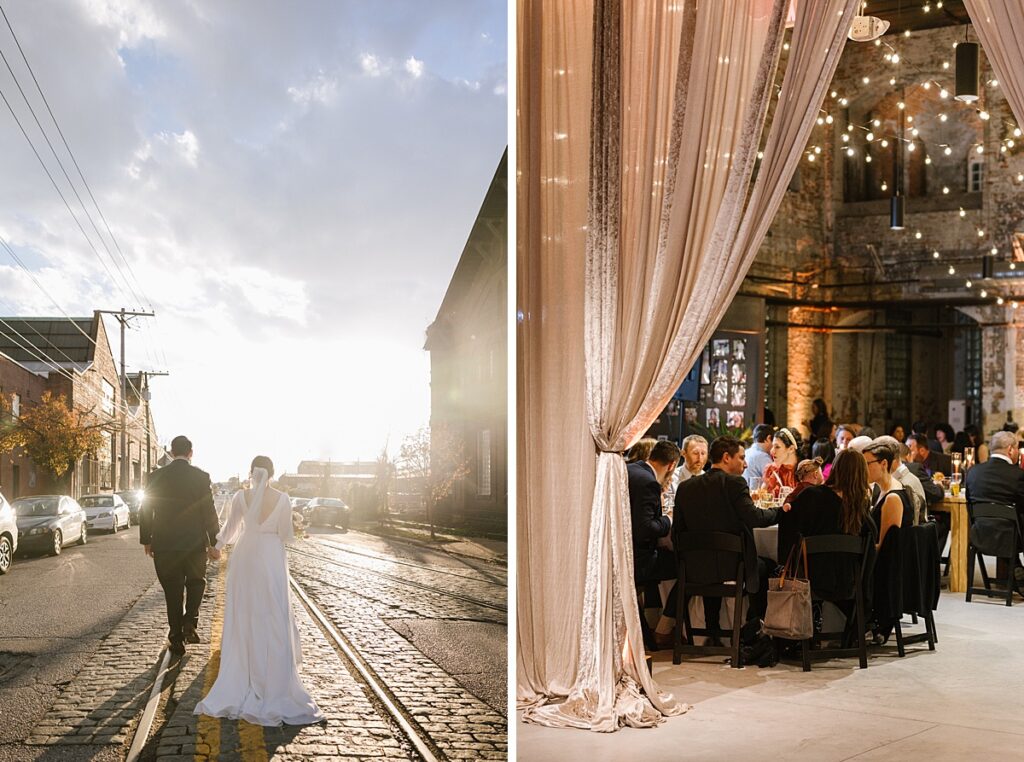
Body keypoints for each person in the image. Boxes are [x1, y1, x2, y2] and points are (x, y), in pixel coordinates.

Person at [195, 456, 324, 725]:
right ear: (273, 474)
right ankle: (272, 674)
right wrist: (296, 527)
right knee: (272, 613)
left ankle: (242, 666)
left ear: (251, 473)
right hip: (270, 558)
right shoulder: (283, 499)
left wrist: (217, 547)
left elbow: (230, 530)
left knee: (244, 612)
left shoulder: (241, 497)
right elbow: (286, 534)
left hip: (245, 556)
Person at [673, 437, 780, 637]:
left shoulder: (686, 488)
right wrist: (780, 511)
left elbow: (677, 531)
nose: (746, 463)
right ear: (726, 458)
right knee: (767, 566)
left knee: (711, 562)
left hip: (693, 567)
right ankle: (753, 629)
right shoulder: (734, 483)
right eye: (741, 458)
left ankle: (712, 630)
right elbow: (755, 518)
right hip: (732, 567)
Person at [139, 435, 221, 655]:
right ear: (190, 453)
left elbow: (146, 509)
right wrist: (215, 542)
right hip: (195, 544)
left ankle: (175, 638)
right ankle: (190, 622)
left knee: (172, 591)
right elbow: (209, 511)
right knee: (196, 583)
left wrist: (146, 539)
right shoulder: (201, 477)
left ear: (171, 453)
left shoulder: (156, 476)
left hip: (165, 544)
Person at [781, 449, 875, 606]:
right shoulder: (860, 507)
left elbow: (789, 530)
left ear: (835, 469)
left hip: (810, 577)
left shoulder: (811, 496)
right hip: (850, 581)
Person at [964, 431, 1024, 579]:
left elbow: (969, 502)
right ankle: (1016, 571)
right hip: (1013, 537)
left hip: (980, 534)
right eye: (1017, 448)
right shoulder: (1018, 475)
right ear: (1010, 449)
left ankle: (1015, 571)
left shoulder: (973, 472)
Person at [863, 442, 913, 549]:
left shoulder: (892, 498)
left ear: (884, 464)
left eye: (867, 464)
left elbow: (885, 546)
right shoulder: (881, 491)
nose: (863, 470)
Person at [875, 436, 925, 525]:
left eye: (874, 461)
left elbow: (910, 528)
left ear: (886, 461)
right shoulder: (898, 480)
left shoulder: (904, 485)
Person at [763, 427, 801, 496]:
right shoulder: (771, 470)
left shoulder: (805, 471)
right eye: (772, 446)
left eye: (777, 447)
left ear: (791, 449)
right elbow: (761, 497)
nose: (772, 451)